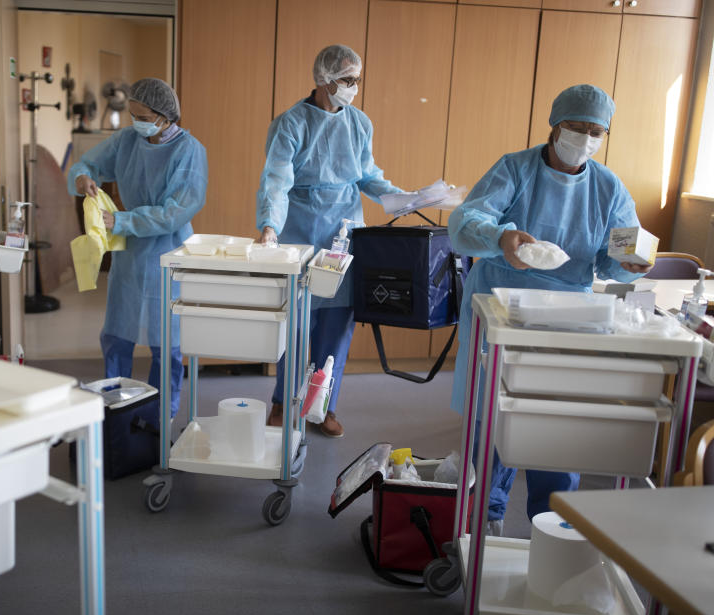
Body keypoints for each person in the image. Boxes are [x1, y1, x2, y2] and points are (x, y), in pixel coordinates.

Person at [447, 84, 651, 534]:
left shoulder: (607, 187)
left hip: (565, 319)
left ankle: (553, 525)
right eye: (576, 128)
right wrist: (502, 239)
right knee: (497, 421)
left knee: (556, 426)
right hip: (503, 306)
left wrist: (631, 262)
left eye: (595, 131)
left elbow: (612, 255)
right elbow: (465, 223)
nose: (584, 138)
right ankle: (483, 519)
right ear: (555, 125)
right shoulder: (515, 169)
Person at [256, 44, 403, 438]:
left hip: (343, 234)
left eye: (357, 80)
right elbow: (277, 178)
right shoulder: (291, 123)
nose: (354, 87)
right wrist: (270, 224)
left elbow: (367, 175)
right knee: (295, 324)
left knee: (336, 325)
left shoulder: (360, 124)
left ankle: (322, 406)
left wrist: (400, 199)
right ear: (324, 79)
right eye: (348, 80)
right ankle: (282, 401)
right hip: (299, 232)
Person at [68, 78, 208, 417]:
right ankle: (117, 407)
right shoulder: (127, 140)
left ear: (165, 116)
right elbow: (87, 163)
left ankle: (162, 412)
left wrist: (123, 221)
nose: (136, 121)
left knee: (167, 342)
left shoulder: (189, 152)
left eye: (142, 115)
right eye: (132, 114)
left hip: (169, 252)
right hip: (130, 254)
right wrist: (83, 178)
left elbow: (176, 212)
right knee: (118, 332)